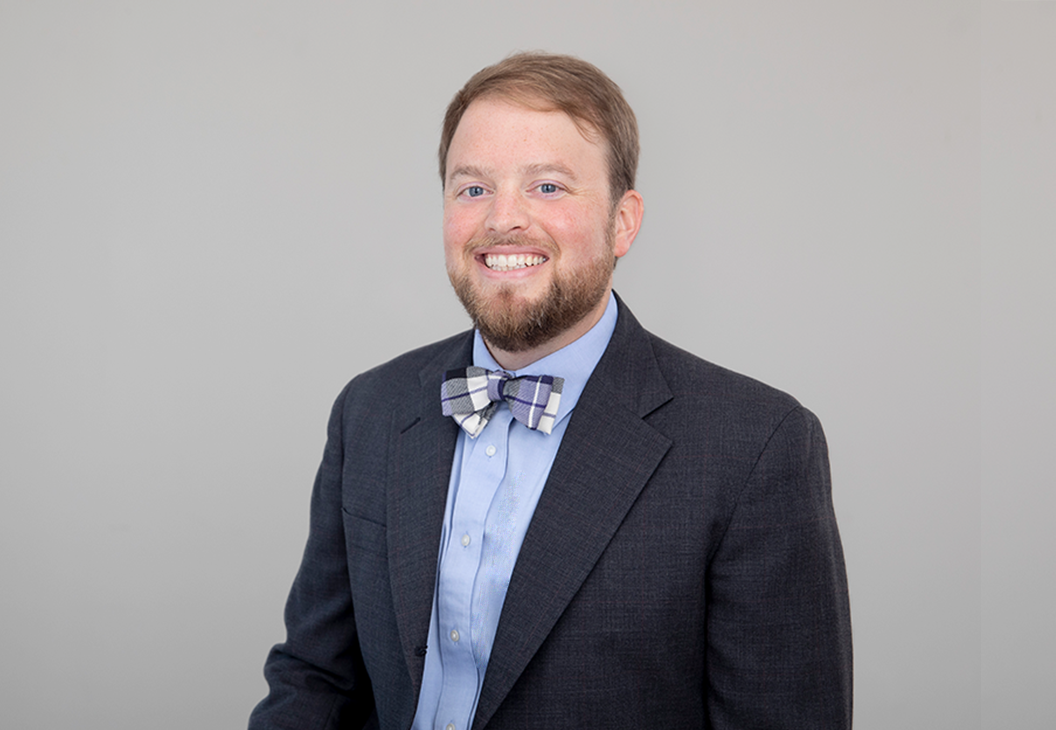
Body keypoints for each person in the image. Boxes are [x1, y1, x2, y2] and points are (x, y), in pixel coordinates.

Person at [249, 52, 852, 730]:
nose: (502, 219)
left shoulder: (756, 447)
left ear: (623, 222)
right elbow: (315, 678)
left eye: (547, 186)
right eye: (472, 189)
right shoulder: (370, 410)